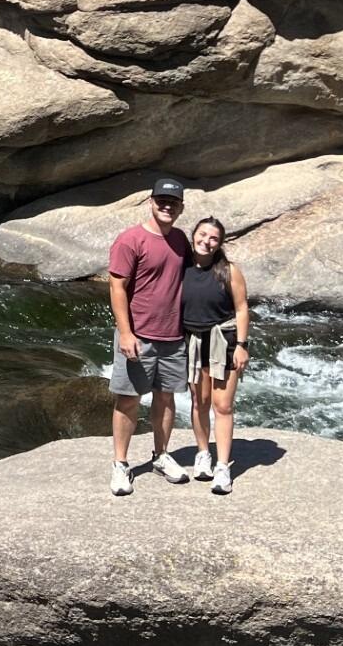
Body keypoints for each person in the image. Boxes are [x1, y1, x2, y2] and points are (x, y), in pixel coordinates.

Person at [106, 177, 191, 496]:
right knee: (128, 399)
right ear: (151, 202)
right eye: (161, 201)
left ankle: (161, 455)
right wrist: (126, 333)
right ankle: (120, 464)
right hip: (138, 335)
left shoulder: (180, 240)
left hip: (173, 336)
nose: (167, 206)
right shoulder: (130, 240)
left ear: (181, 208)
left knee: (166, 397)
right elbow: (116, 286)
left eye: (173, 202)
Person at [183, 217, 250, 495]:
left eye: (213, 238)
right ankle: (203, 454)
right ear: (193, 235)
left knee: (222, 406)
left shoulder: (228, 270)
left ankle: (223, 466)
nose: (206, 241)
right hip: (193, 342)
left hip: (224, 340)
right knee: (200, 401)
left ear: (220, 243)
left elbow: (242, 308)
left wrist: (243, 345)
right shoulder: (182, 267)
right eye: (202, 235)